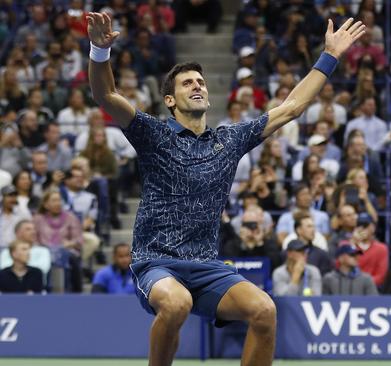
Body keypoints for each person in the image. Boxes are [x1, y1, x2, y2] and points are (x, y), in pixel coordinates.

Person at [87, 12, 364, 366]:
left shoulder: (229, 140)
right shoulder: (152, 134)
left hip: (207, 266)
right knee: (176, 304)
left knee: (264, 309)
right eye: (187, 83)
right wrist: (99, 49)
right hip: (156, 262)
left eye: (200, 81)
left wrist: (331, 56)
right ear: (170, 101)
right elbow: (106, 93)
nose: (198, 85)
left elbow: (292, 107)